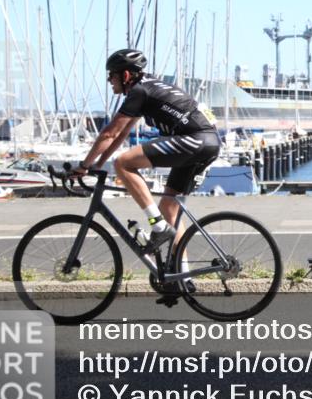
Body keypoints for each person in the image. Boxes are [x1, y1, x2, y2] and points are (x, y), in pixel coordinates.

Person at [71, 49, 220, 255]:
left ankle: (158, 227)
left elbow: (109, 134)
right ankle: (182, 277)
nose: (108, 80)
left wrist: (83, 166)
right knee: (169, 210)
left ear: (125, 75)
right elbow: (121, 134)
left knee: (124, 163)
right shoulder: (147, 88)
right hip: (205, 142)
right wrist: (97, 165)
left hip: (195, 140)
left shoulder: (140, 91)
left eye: (111, 75)